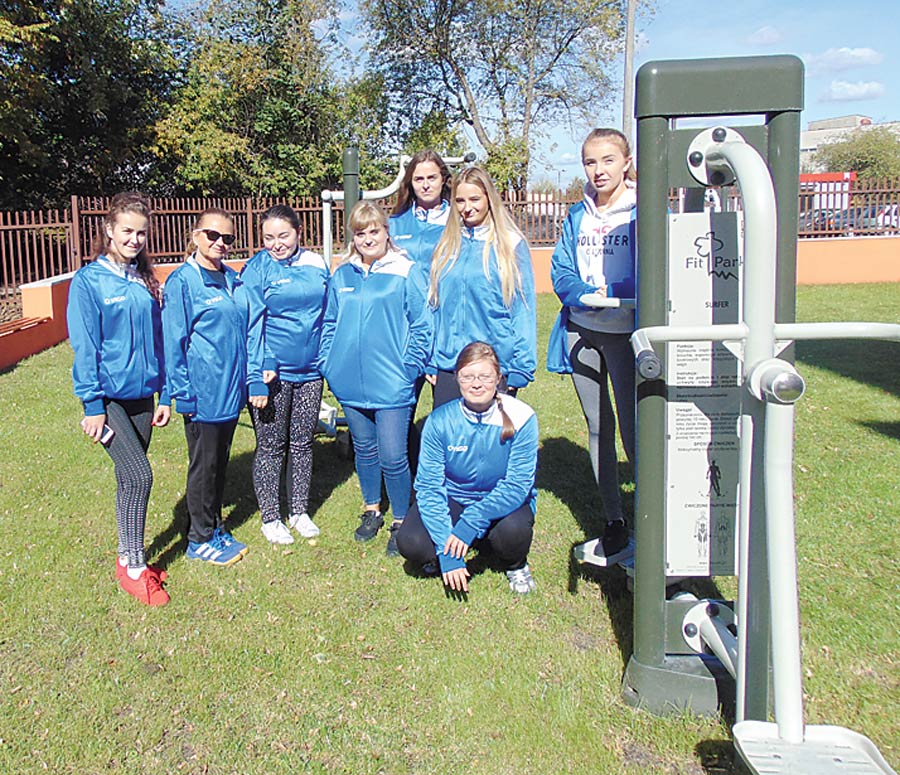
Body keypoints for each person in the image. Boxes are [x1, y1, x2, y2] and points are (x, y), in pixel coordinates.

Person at [67, 192, 171, 606]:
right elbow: (85, 346)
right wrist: (92, 406)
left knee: (129, 479)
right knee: (140, 475)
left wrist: (164, 393)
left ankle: (128, 557)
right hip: (109, 399)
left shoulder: (144, 279)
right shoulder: (89, 281)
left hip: (143, 397)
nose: (134, 239)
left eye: (141, 233)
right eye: (127, 231)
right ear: (109, 229)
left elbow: (159, 340)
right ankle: (134, 569)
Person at [318, 201, 431, 555]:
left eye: (374, 231)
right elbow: (329, 322)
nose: (367, 239)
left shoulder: (406, 271)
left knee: (394, 454)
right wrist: (329, 364)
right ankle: (371, 509)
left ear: (386, 232)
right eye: (360, 233)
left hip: (393, 382)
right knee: (365, 450)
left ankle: (401, 519)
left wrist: (409, 368)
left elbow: (422, 324)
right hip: (350, 382)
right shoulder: (342, 275)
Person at [547, 127, 637, 557]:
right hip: (581, 331)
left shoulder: (643, 211)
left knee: (637, 430)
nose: (598, 170)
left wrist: (614, 292)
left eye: (607, 160)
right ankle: (614, 519)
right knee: (599, 426)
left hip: (627, 334)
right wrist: (583, 294)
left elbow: (656, 268)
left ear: (626, 162)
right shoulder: (576, 215)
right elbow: (561, 269)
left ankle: (652, 514)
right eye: (590, 161)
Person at [396, 342, 538, 595]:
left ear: (499, 379)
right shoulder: (439, 421)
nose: (476, 384)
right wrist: (446, 549)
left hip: (501, 499)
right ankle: (450, 549)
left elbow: (517, 485)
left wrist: (470, 523)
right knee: (411, 542)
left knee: (512, 532)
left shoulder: (522, 416)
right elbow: (429, 486)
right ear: (457, 379)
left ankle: (515, 564)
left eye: (485, 377)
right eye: (467, 376)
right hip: (456, 497)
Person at [162, 208, 249, 566]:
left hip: (230, 393)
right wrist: (182, 393)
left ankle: (213, 526)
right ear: (195, 235)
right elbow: (173, 342)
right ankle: (198, 539)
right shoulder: (183, 282)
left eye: (227, 238)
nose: (220, 243)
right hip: (204, 394)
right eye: (212, 235)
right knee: (204, 467)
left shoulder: (232, 279)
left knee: (218, 465)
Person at [242, 205, 328, 545]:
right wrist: (257, 371)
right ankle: (270, 517)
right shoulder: (256, 269)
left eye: (283, 235)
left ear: (298, 232)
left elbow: (328, 313)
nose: (276, 244)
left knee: (303, 443)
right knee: (271, 446)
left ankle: (299, 511)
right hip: (273, 374)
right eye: (268, 238)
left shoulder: (316, 263)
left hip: (312, 372)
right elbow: (251, 324)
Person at [426, 166, 536, 408]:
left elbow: (523, 309)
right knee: (450, 432)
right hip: (450, 364)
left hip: (494, 365)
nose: (467, 207)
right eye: (460, 201)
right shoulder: (446, 244)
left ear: (488, 198)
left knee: (492, 432)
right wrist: (431, 358)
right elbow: (434, 306)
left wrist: (521, 366)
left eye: (474, 199)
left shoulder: (510, 244)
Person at [388, 150, 452, 265]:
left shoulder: (457, 221)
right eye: (419, 179)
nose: (426, 185)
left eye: (432, 178)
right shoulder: (394, 225)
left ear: (442, 180)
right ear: (411, 182)